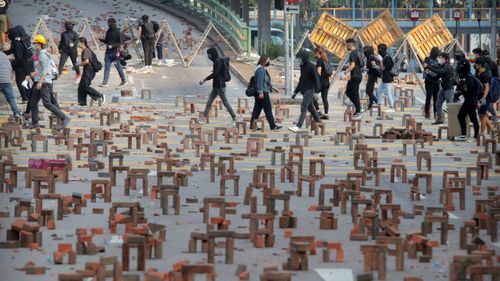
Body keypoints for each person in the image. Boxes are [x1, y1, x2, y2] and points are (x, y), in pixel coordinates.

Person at [30, 34, 70, 129]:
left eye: (34, 43)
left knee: (47, 103)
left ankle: (64, 118)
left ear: (39, 44)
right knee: (33, 102)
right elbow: (35, 62)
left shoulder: (43, 55)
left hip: (44, 82)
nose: (33, 45)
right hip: (40, 81)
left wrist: (40, 82)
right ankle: (35, 123)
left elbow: (45, 69)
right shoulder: (39, 54)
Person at [197, 47, 237, 125]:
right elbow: (217, 73)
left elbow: (215, 74)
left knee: (225, 103)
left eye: (209, 55)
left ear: (212, 54)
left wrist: (205, 79)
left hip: (220, 86)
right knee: (209, 102)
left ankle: (234, 117)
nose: (208, 56)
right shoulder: (216, 61)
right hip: (216, 86)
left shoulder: (217, 62)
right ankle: (203, 118)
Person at [288, 50, 321, 133]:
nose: (299, 59)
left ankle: (298, 126)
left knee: (304, 106)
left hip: (310, 89)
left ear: (303, 58)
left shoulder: (311, 66)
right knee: (311, 108)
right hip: (304, 90)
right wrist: (295, 92)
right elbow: (301, 80)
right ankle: (319, 124)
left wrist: (317, 91)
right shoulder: (302, 66)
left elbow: (316, 79)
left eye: (300, 58)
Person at [4, 25, 34, 105]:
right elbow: (12, 50)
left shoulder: (16, 43)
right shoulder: (21, 39)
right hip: (28, 62)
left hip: (22, 64)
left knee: (19, 81)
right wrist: (3, 53)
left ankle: (25, 98)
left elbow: (19, 57)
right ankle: (28, 96)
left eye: (9, 34)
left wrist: (12, 66)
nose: (8, 36)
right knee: (25, 80)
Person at [250, 55, 281, 131]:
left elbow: (265, 81)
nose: (268, 62)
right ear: (264, 61)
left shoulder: (260, 68)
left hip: (261, 92)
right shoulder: (260, 70)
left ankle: (252, 125)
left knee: (257, 109)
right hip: (263, 92)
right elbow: (260, 82)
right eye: (268, 60)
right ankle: (273, 126)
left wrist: (272, 88)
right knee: (268, 109)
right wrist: (260, 92)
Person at [424, 52, 454, 125]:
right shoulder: (442, 66)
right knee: (438, 104)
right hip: (443, 88)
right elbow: (437, 75)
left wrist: (428, 66)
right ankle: (439, 120)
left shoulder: (447, 66)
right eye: (440, 58)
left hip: (449, 89)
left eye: (441, 58)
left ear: (445, 59)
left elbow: (439, 71)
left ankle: (453, 122)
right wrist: (428, 75)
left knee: (449, 106)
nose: (440, 59)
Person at [454, 58, 479, 141]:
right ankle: (466, 135)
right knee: (464, 116)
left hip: (471, 101)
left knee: (471, 118)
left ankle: (475, 136)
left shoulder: (469, 77)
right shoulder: (466, 76)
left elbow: (471, 89)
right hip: (469, 100)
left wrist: (464, 89)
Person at [99, 17, 127, 87]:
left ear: (113, 23)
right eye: (108, 23)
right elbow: (107, 41)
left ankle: (123, 80)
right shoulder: (108, 31)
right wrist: (101, 40)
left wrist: (113, 46)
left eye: (110, 23)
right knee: (107, 67)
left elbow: (120, 43)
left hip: (115, 53)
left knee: (118, 67)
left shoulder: (118, 32)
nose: (109, 25)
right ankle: (105, 82)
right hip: (108, 53)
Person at [76, 37, 104, 106]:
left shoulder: (86, 50)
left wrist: (78, 64)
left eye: (78, 42)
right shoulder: (85, 50)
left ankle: (100, 95)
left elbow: (86, 61)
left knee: (85, 86)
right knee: (81, 86)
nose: (77, 44)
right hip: (87, 69)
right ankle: (82, 103)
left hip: (89, 70)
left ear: (82, 43)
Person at [343, 38, 363, 119]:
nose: (346, 47)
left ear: (350, 45)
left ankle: (359, 111)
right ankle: (358, 108)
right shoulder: (358, 52)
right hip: (357, 75)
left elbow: (353, 65)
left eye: (347, 45)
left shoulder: (352, 53)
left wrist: (346, 71)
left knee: (354, 93)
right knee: (348, 92)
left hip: (355, 76)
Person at [475, 58, 495, 136]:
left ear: (480, 65)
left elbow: (487, 87)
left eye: (476, 64)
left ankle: (482, 134)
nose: (475, 65)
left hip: (485, 98)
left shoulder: (484, 75)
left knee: (482, 115)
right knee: (482, 115)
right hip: (480, 97)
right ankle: (492, 129)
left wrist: (484, 98)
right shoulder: (479, 73)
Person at [375, 43, 395, 112]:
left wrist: (380, 61)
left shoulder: (387, 57)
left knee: (388, 92)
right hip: (385, 78)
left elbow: (383, 68)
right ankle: (380, 104)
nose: (378, 51)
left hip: (388, 78)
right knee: (379, 91)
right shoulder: (386, 56)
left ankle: (392, 107)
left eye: (379, 49)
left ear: (382, 50)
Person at [312, 47, 331, 119]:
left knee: (312, 96)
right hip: (327, 82)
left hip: (321, 82)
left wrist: (317, 78)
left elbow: (319, 71)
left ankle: (318, 111)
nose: (315, 55)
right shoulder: (326, 60)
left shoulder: (320, 60)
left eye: (315, 53)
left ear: (317, 52)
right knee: (325, 98)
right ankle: (326, 115)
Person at [0, 50, 20, 118]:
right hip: (7, 80)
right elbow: (10, 68)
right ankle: (16, 113)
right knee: (11, 98)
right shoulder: (5, 56)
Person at [423, 47, 441, 119]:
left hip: (436, 82)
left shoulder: (437, 60)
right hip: (429, 81)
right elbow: (426, 69)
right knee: (428, 98)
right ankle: (427, 113)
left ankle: (435, 113)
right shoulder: (427, 59)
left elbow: (440, 69)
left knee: (436, 99)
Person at [364, 45, 379, 110]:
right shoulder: (370, 57)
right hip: (371, 75)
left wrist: (368, 69)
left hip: (372, 76)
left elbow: (374, 66)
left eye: (365, 52)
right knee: (370, 91)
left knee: (368, 91)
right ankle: (370, 104)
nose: (364, 54)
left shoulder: (371, 57)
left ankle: (377, 101)